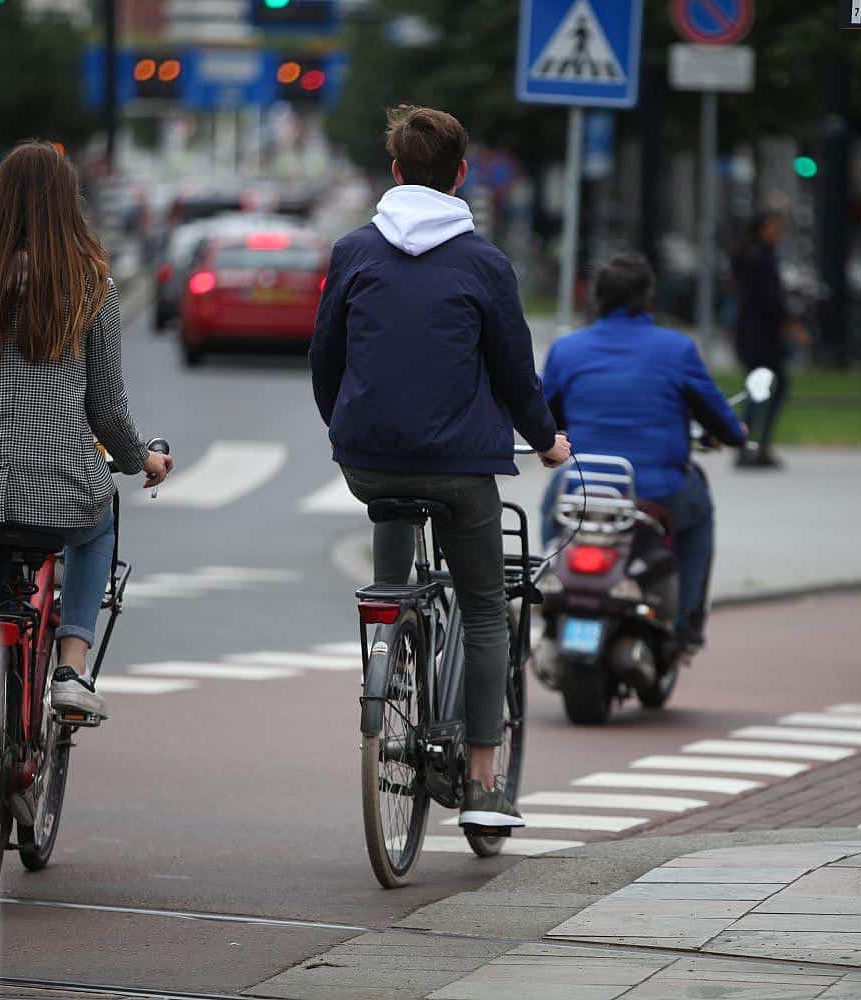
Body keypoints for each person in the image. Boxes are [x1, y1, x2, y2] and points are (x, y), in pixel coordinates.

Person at [310, 106, 570, 830]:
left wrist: (347, 425)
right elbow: (515, 373)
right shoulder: (484, 264)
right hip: (459, 467)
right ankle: (484, 783)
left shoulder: (353, 252)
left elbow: (325, 358)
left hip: (368, 461)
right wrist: (546, 440)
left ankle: (389, 647)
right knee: (487, 608)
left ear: (396, 172)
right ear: (460, 176)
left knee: (390, 546)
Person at [0, 141, 172, 720]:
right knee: (99, 519)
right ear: (68, 206)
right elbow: (105, 407)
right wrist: (140, 459)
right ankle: (71, 667)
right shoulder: (91, 287)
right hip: (59, 489)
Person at [541, 253, 746, 650]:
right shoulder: (677, 349)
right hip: (657, 492)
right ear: (648, 299)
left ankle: (551, 587)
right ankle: (687, 620)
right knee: (699, 511)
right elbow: (716, 412)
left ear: (597, 299)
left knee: (553, 505)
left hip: (584, 488)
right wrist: (735, 433)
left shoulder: (567, 350)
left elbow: (544, 417)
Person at [730, 211, 789, 468]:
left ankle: (753, 445)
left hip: (755, 335)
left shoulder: (756, 256)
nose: (779, 233)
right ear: (762, 229)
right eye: (774, 227)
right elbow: (770, 300)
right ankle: (752, 446)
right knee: (762, 390)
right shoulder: (760, 258)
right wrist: (789, 324)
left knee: (763, 389)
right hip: (761, 337)